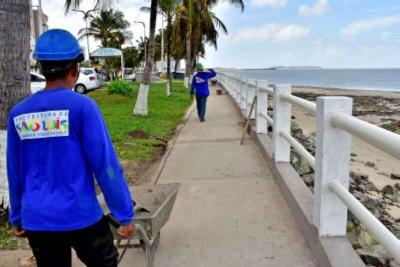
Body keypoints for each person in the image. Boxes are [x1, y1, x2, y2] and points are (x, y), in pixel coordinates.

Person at [6, 29, 135, 267]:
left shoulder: (18, 114)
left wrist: (17, 216)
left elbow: (15, 172)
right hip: (81, 216)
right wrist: (124, 213)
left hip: (38, 219)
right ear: (75, 70)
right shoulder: (83, 108)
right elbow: (106, 166)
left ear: (42, 68)